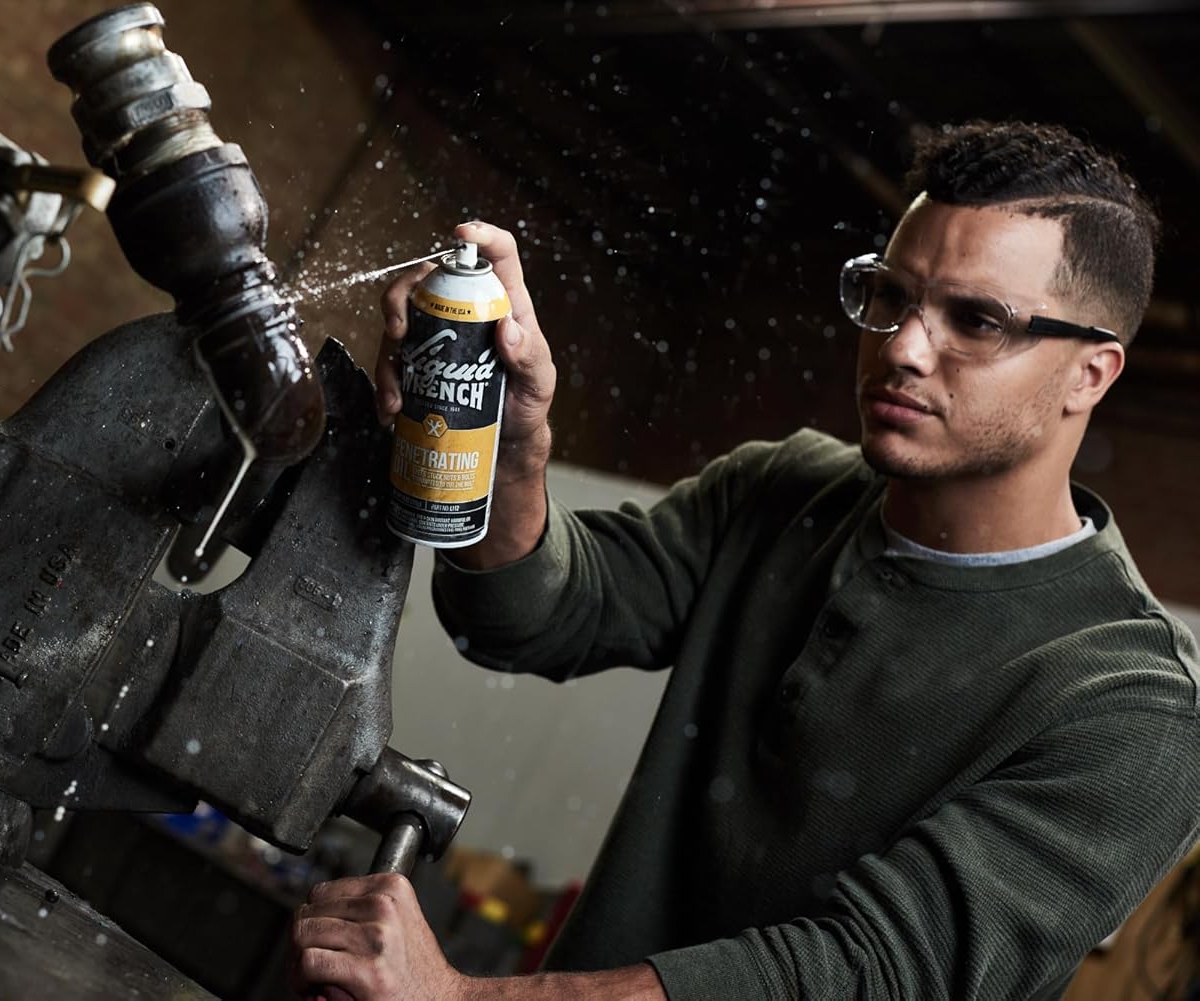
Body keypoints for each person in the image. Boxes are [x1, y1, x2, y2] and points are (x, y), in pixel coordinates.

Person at [289, 121, 1200, 999]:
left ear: (1092, 373)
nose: (905, 348)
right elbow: (537, 616)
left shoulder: (1131, 705)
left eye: (978, 320)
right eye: (891, 295)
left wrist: (458, 1000)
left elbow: (869, 977)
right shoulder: (784, 490)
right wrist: (509, 443)